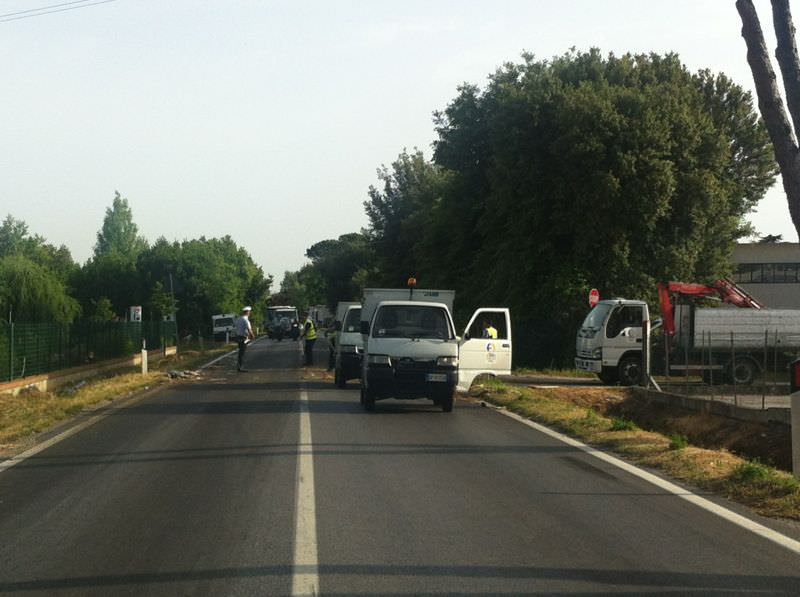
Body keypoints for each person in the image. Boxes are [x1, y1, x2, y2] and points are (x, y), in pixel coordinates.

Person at [234, 306, 255, 371]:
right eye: (249, 312)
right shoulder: (246, 320)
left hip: (238, 337)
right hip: (244, 338)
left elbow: (236, 328)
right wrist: (252, 336)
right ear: (247, 312)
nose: (250, 313)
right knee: (242, 353)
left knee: (240, 352)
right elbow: (249, 329)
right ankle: (240, 367)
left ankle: (239, 366)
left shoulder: (238, 319)